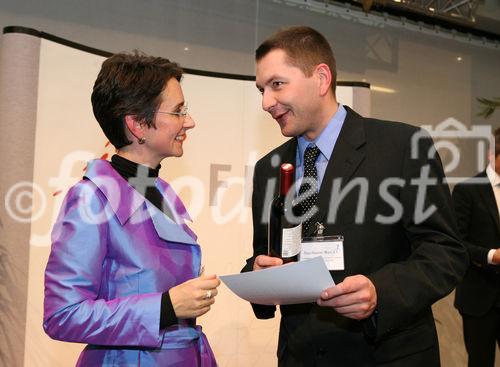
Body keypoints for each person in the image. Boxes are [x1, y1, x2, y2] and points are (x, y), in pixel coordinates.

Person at [242, 26, 468, 366]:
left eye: (277, 84)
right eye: (261, 89)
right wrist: (258, 275)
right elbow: (268, 253)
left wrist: (381, 292)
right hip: (302, 355)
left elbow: (444, 252)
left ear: (321, 78)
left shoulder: (404, 147)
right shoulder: (269, 168)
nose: (266, 102)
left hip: (387, 354)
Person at [43, 52, 220, 366]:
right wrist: (166, 307)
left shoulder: (159, 193)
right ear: (138, 124)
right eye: (179, 111)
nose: (189, 121)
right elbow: (62, 315)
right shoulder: (90, 199)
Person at [453, 126, 500, 367]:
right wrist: (492, 255)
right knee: (481, 361)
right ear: (492, 154)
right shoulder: (466, 190)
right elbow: (456, 243)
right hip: (479, 297)